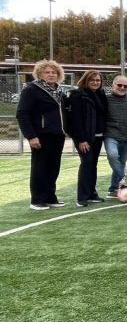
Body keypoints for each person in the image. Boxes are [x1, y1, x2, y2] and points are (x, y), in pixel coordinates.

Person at [15, 59, 68, 210]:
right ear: (39, 74)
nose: (51, 75)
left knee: (53, 167)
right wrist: (31, 136)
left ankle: (50, 197)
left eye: (54, 72)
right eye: (47, 72)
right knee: (40, 167)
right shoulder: (31, 90)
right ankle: (37, 200)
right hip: (41, 135)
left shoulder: (59, 91)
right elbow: (22, 114)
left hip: (57, 134)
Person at [69, 70, 108, 206]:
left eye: (98, 80)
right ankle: (82, 197)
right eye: (92, 80)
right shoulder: (78, 95)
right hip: (85, 138)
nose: (95, 82)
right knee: (87, 163)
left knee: (93, 165)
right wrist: (82, 139)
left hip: (98, 136)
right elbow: (76, 119)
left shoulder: (101, 94)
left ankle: (92, 193)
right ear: (86, 80)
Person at [104, 75, 127, 198]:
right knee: (113, 156)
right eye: (119, 85)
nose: (122, 88)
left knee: (122, 162)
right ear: (113, 85)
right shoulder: (105, 99)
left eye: (125, 86)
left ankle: (113, 189)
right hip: (111, 135)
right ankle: (125, 177)